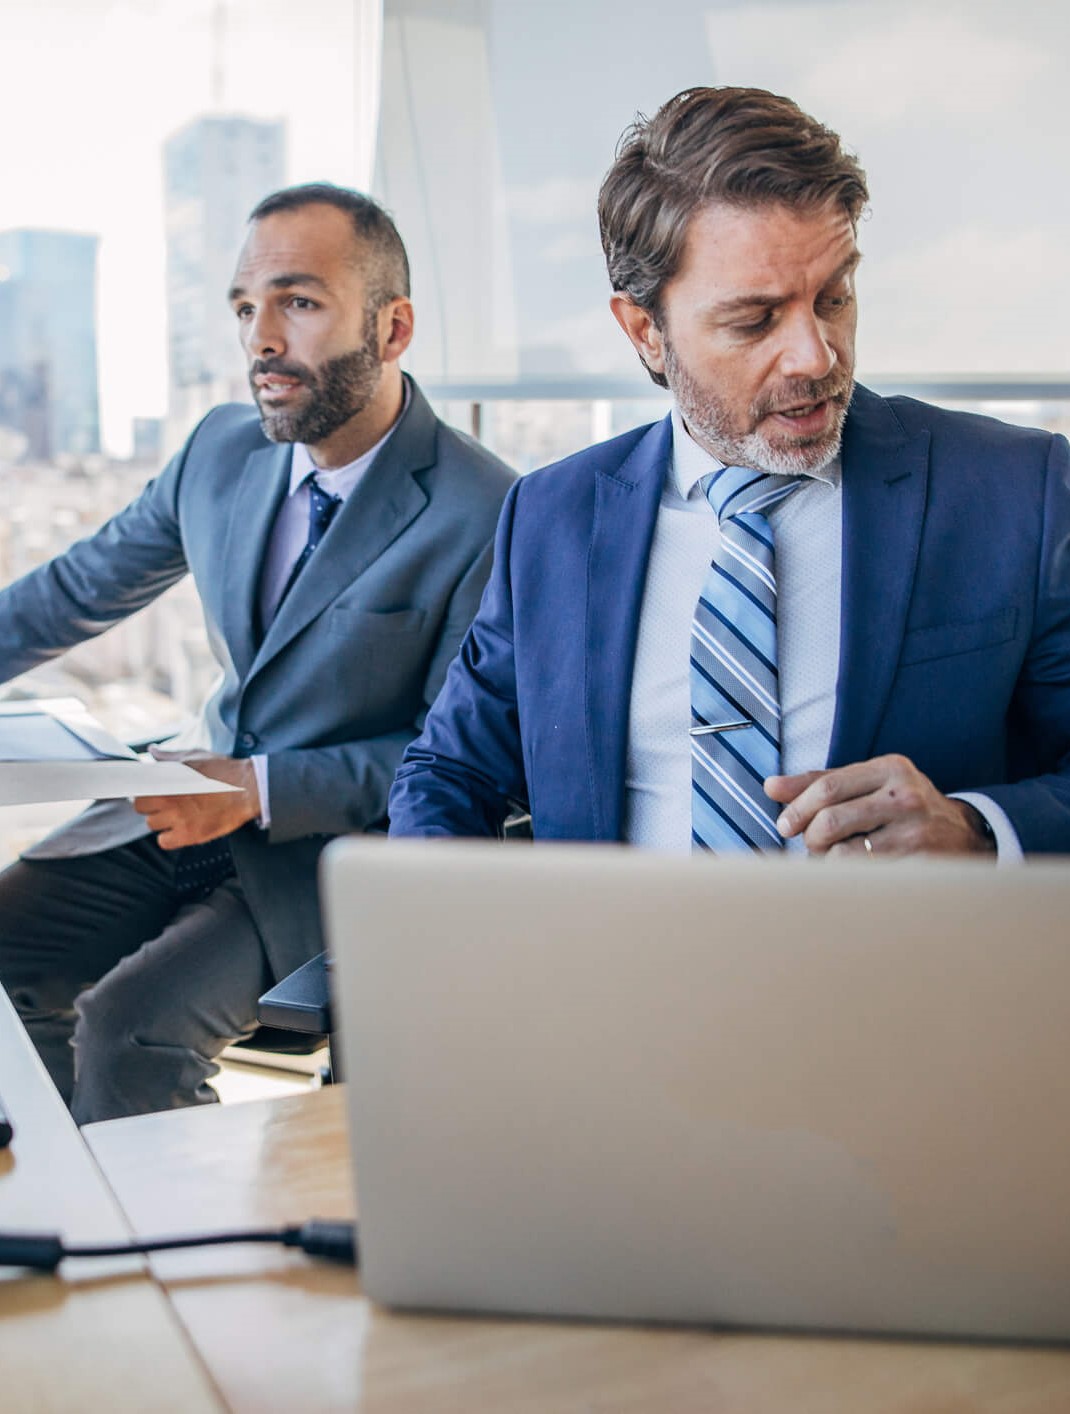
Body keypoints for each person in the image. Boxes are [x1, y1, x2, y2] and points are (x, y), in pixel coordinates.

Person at [388, 87, 1070, 857]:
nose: (817, 355)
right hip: (616, 971)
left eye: (834, 296)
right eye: (755, 320)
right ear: (645, 331)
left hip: (899, 973)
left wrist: (980, 829)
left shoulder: (1018, 490)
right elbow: (449, 771)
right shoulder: (552, 515)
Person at [0, 183, 515, 1121]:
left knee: (129, 1026)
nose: (261, 340)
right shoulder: (219, 451)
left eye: (300, 302)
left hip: (331, 847)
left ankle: (162, 1254)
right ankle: (72, 1209)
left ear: (392, 328)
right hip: (183, 806)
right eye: (247, 307)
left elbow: (458, 759)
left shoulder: (488, 512)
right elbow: (78, 589)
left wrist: (259, 786)